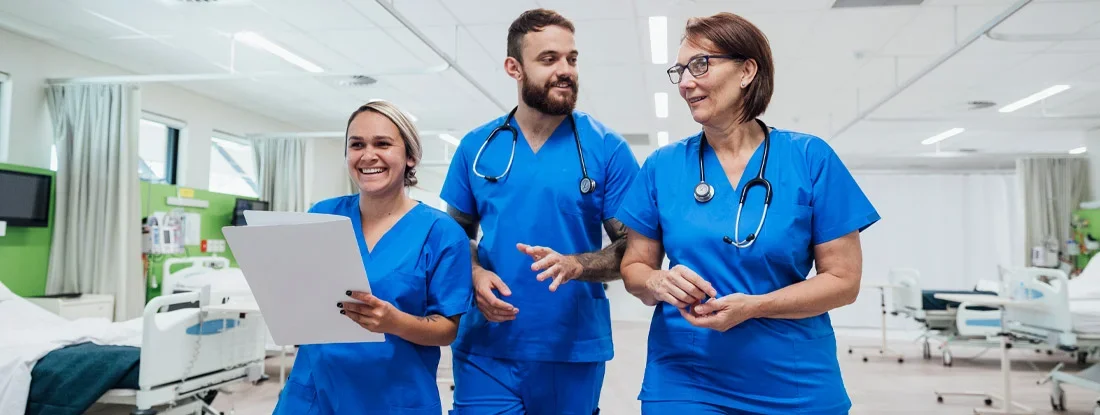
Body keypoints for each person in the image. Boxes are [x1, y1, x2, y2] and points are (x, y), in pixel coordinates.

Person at [615, 12, 881, 415]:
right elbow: (634, 267)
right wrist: (656, 280)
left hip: (793, 379)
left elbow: (843, 282)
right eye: (680, 70)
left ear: (747, 70)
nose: (686, 83)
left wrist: (755, 306)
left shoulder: (810, 159)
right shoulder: (662, 167)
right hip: (686, 375)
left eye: (700, 65)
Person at [439, 8, 641, 415]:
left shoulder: (606, 149)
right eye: (549, 59)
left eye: (572, 59)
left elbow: (635, 249)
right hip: (486, 345)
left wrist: (577, 264)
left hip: (572, 344)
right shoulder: (477, 147)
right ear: (514, 68)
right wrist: (475, 274)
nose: (565, 70)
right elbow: (453, 235)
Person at [273, 100, 473, 415]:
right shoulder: (322, 215)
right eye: (356, 145)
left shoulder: (442, 233)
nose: (368, 155)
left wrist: (395, 322)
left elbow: (447, 329)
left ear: (410, 157)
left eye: (382, 144)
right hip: (313, 393)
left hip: (393, 397)